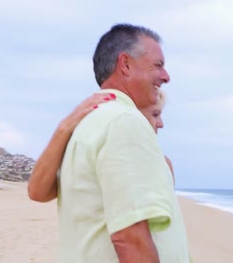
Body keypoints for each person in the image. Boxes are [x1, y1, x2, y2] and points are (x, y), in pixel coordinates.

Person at [56, 24, 190, 262]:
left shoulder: (90, 124)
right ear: (125, 64)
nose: (166, 76)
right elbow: (130, 239)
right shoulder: (123, 122)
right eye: (158, 65)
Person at [27, 89, 174, 202]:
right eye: (155, 114)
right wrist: (64, 127)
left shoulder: (164, 164)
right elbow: (38, 192)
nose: (161, 124)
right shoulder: (101, 157)